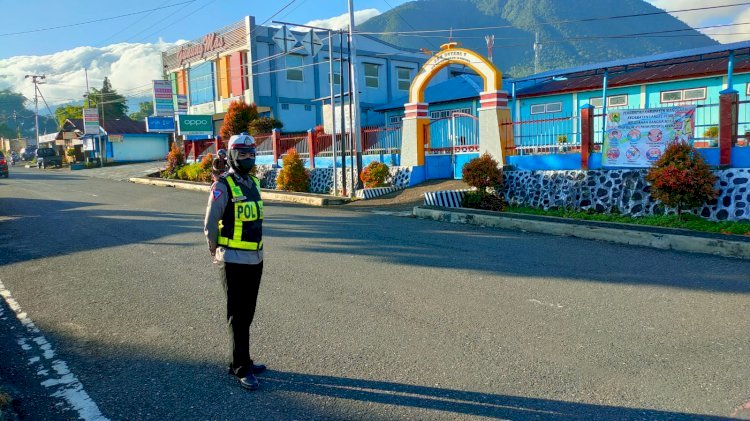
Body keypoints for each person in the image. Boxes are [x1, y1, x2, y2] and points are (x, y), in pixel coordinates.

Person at [203, 133, 266, 391]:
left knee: (248, 313)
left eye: (252, 153)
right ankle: (240, 367)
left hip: (255, 259)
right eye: (242, 153)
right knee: (238, 316)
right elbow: (210, 225)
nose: (248, 158)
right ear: (231, 155)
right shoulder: (222, 186)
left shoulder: (253, 183)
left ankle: (242, 359)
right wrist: (215, 251)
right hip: (233, 260)